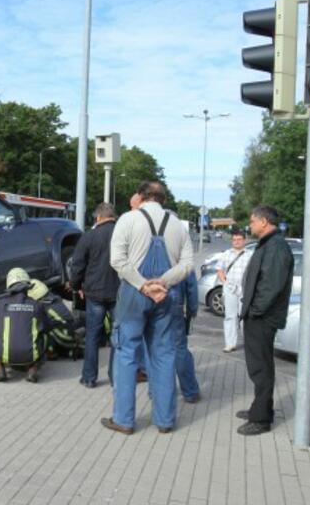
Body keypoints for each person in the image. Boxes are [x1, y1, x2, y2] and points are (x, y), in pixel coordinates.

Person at [101, 181, 193, 435]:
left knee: (127, 352)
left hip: (134, 293)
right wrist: (162, 282)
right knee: (164, 354)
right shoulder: (178, 225)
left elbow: (117, 260)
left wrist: (143, 285)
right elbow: (187, 266)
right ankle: (165, 421)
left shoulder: (128, 220)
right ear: (164, 199)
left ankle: (124, 420)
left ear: (141, 196)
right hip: (167, 294)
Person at [236, 205, 293, 436]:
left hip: (263, 317)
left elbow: (271, 285)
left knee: (261, 368)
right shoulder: (269, 243)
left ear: (263, 222)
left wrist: (255, 311)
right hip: (259, 315)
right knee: (259, 366)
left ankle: (261, 419)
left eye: (252, 221)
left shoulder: (276, 246)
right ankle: (259, 409)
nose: (250, 225)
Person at [70, 202, 119, 388]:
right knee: (117, 336)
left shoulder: (88, 237)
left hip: (94, 293)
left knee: (92, 336)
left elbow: (77, 265)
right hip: (117, 293)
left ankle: (89, 378)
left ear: (98, 217)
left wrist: (76, 286)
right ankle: (115, 377)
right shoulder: (123, 234)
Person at [0, 268, 55, 383]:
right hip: (31, 355)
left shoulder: (0, 304)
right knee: (48, 337)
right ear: (27, 287)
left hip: (4, 354)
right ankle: (33, 368)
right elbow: (48, 326)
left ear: (9, 287)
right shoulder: (36, 305)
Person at [217, 229, 252, 352]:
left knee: (245, 317)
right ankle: (230, 344)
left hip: (245, 289)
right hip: (230, 288)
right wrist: (225, 283)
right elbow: (220, 270)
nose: (236, 242)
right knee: (230, 317)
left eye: (239, 239)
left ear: (244, 240)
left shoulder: (250, 255)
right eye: (234, 239)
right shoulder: (226, 254)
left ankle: (248, 343)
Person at [27, 278, 80, 358]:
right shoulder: (53, 298)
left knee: (41, 329)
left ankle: (51, 352)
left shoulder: (43, 307)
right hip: (69, 330)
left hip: (65, 335)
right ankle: (65, 351)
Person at [173, 270, 200, 403]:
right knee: (180, 350)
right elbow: (191, 287)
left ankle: (156, 392)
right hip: (174, 307)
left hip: (150, 307)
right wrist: (192, 310)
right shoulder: (182, 253)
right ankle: (190, 391)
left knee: (155, 352)